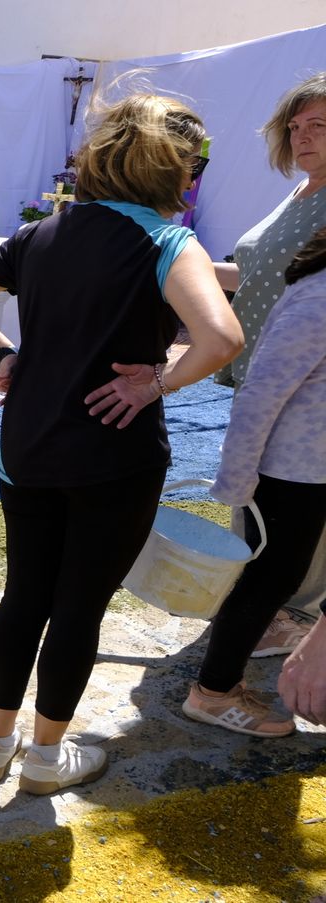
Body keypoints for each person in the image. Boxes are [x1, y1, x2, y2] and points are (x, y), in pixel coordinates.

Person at [0, 93, 243, 794]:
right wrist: (156, 382)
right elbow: (221, 338)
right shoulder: (169, 242)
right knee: (77, 606)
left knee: (24, 596)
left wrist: (3, 354)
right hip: (115, 454)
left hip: (29, 445)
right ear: (177, 173)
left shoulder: (41, 232)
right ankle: (44, 757)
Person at [182, 224, 326, 738]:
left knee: (276, 578)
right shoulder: (320, 296)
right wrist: (236, 482)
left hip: (308, 468)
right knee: (270, 580)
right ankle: (213, 692)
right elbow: (260, 394)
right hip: (291, 473)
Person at [211, 73, 326, 656]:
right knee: (260, 498)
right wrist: (185, 267)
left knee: (295, 508)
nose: (303, 137)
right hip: (261, 366)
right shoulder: (302, 191)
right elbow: (257, 274)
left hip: (307, 384)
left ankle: (289, 621)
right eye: (296, 126)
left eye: (319, 126)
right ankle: (257, 611)